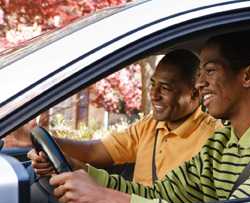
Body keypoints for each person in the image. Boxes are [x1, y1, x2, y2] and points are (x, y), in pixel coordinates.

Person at [48, 29, 250, 203]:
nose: (200, 83)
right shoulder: (222, 142)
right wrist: (84, 172)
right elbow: (161, 194)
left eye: (210, 70)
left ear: (249, 76)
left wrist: (106, 199)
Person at [29, 49, 221, 186]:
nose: (154, 95)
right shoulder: (149, 125)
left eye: (165, 88)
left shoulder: (213, 138)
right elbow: (95, 151)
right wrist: (46, 143)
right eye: (153, 84)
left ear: (195, 94)